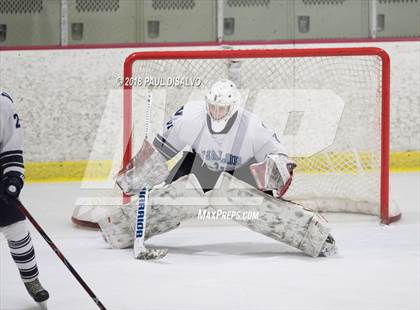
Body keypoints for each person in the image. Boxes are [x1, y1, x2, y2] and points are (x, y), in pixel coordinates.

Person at [102, 80, 337, 258]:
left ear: (233, 107)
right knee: (177, 195)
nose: (216, 112)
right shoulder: (189, 117)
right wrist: (139, 174)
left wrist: (273, 173)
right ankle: (122, 227)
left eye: (222, 108)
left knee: (248, 203)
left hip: (240, 171)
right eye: (213, 107)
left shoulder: (253, 127)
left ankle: (313, 236)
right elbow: (161, 150)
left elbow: (280, 158)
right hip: (200, 166)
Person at [0, 92, 49, 305]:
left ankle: (31, 279)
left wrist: (12, 176)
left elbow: (12, 146)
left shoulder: (2, 104)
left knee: (16, 227)